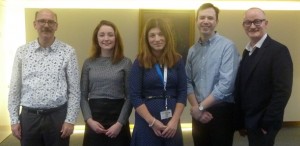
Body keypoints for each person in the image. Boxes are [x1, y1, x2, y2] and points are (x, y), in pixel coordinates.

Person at [8, 9, 80, 146]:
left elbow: (75, 90)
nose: (46, 25)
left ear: (56, 26)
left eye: (51, 22)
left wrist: (70, 120)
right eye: (42, 21)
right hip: (29, 118)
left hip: (57, 117)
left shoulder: (68, 52)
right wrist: (14, 119)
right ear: (34, 24)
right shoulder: (22, 52)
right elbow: (14, 89)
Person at [234, 7, 293, 146]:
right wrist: (241, 120)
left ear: (266, 23)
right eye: (248, 22)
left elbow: (283, 91)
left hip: (264, 123)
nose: (252, 26)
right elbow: (244, 86)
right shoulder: (247, 51)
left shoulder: (279, 51)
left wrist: (268, 122)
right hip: (249, 120)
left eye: (257, 21)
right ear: (243, 26)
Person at [185, 3, 240, 146]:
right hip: (198, 112)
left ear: (216, 22)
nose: (206, 21)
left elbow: (226, 85)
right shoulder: (192, 50)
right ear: (197, 20)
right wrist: (197, 108)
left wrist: (200, 108)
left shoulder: (227, 47)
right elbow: (187, 82)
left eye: (210, 18)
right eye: (202, 17)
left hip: (221, 112)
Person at [129, 17, 187, 146]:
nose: (157, 39)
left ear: (167, 36)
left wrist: (175, 121)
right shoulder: (139, 62)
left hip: (172, 123)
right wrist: (153, 122)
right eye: (152, 35)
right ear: (146, 39)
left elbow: (182, 92)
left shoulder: (177, 60)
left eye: (161, 34)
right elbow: (135, 96)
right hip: (146, 123)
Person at [80, 20, 132, 146]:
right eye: (102, 35)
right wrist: (89, 120)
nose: (106, 38)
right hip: (94, 118)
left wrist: (120, 123)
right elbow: (82, 96)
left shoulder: (125, 63)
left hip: (118, 118)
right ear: (96, 38)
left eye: (110, 34)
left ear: (116, 38)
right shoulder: (88, 63)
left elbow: (130, 97)